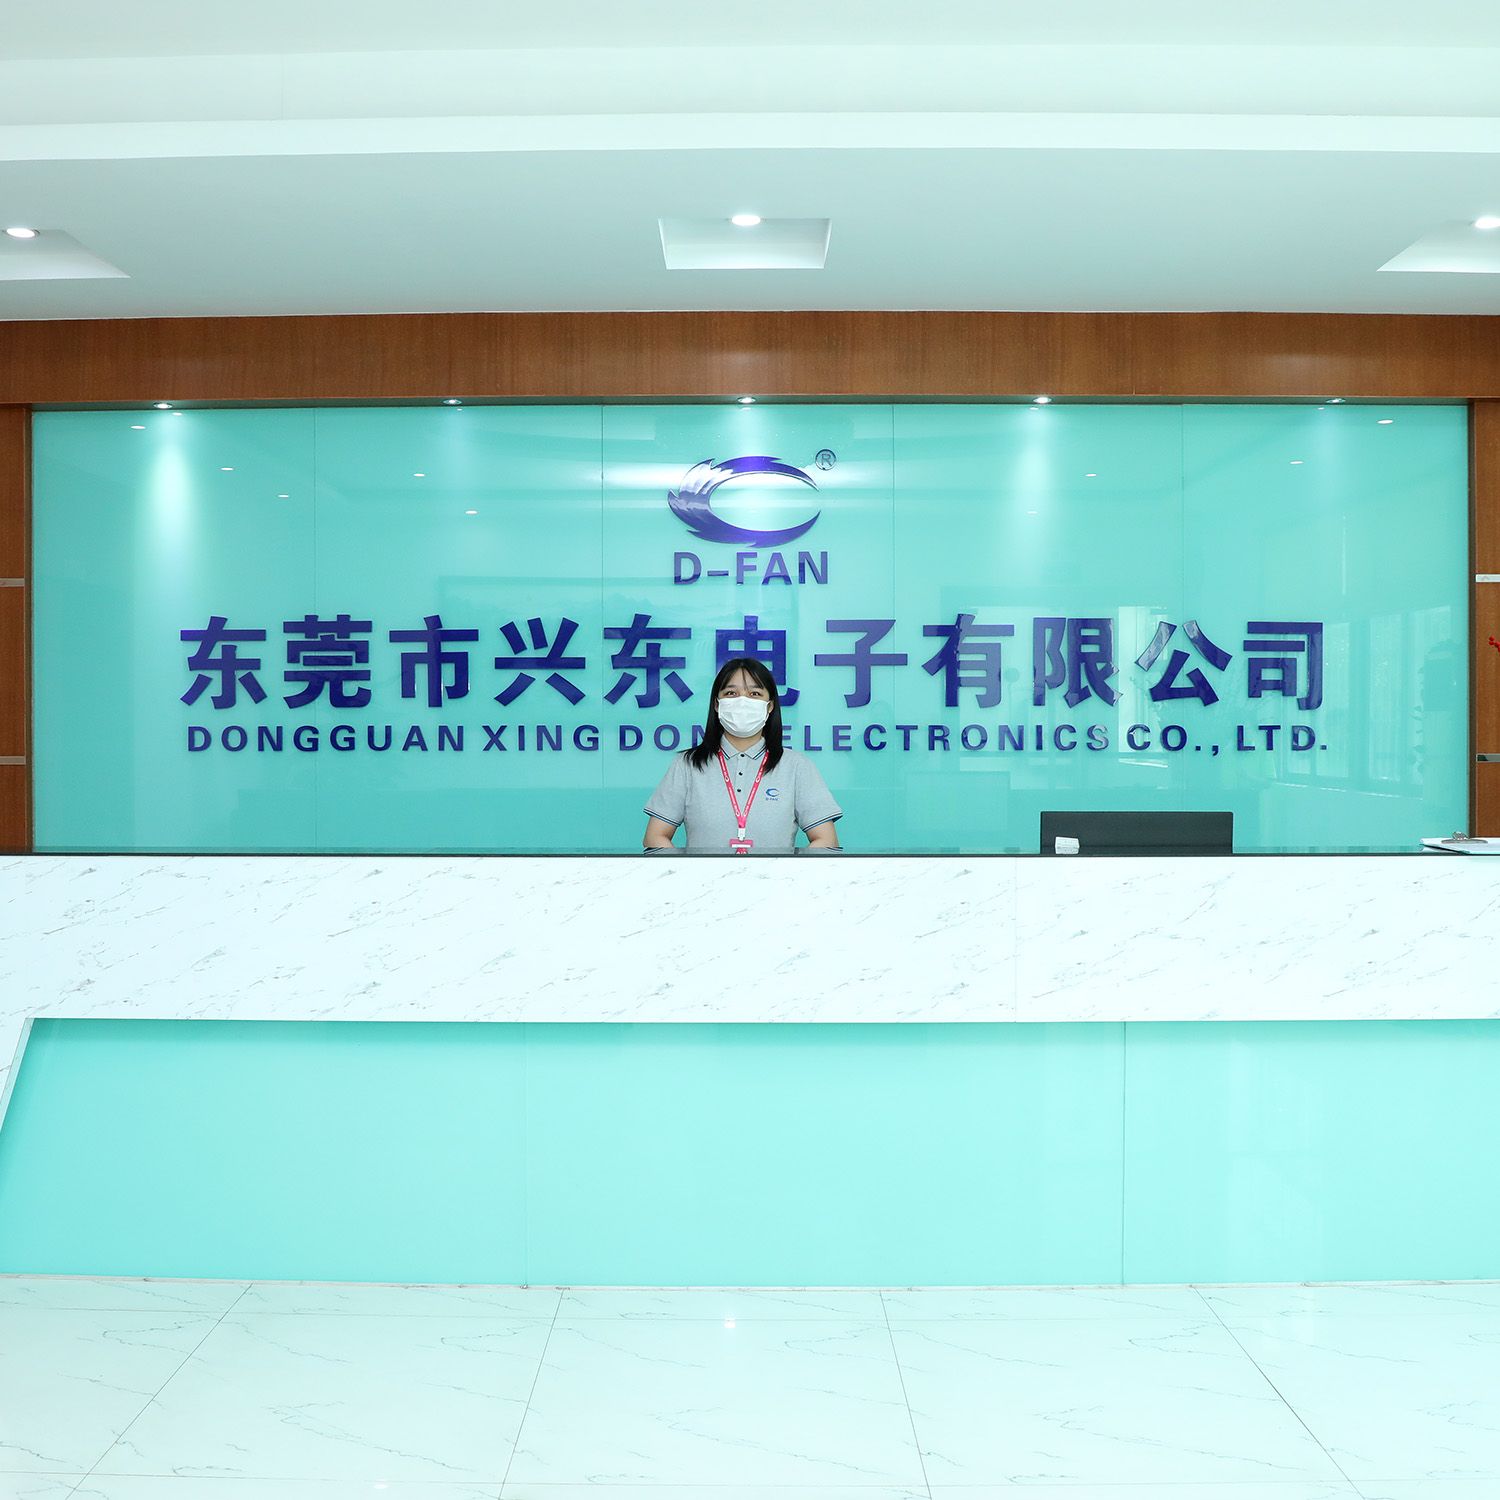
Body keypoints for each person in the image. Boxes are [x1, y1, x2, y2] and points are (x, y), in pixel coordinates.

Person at [642, 657, 842, 853]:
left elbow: (826, 840)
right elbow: (655, 836)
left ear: (770, 706)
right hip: (704, 877)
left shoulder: (797, 767)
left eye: (755, 693)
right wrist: (689, 873)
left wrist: (786, 873)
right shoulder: (687, 765)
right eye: (731, 693)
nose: (743, 702)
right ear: (717, 704)